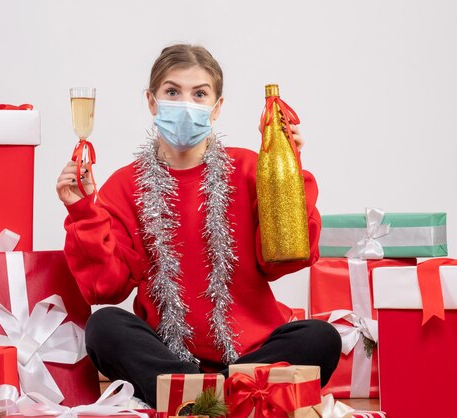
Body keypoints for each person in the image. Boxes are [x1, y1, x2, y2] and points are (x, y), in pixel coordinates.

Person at [57, 44, 341, 408]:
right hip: (167, 356)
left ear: (217, 107)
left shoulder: (249, 168)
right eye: (172, 92)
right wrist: (81, 211)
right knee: (104, 326)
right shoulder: (126, 185)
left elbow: (282, 261)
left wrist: (287, 173)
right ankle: (234, 397)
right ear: (151, 101)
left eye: (200, 94)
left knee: (321, 337)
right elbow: (105, 288)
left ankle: (200, 400)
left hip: (252, 351)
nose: (186, 103)